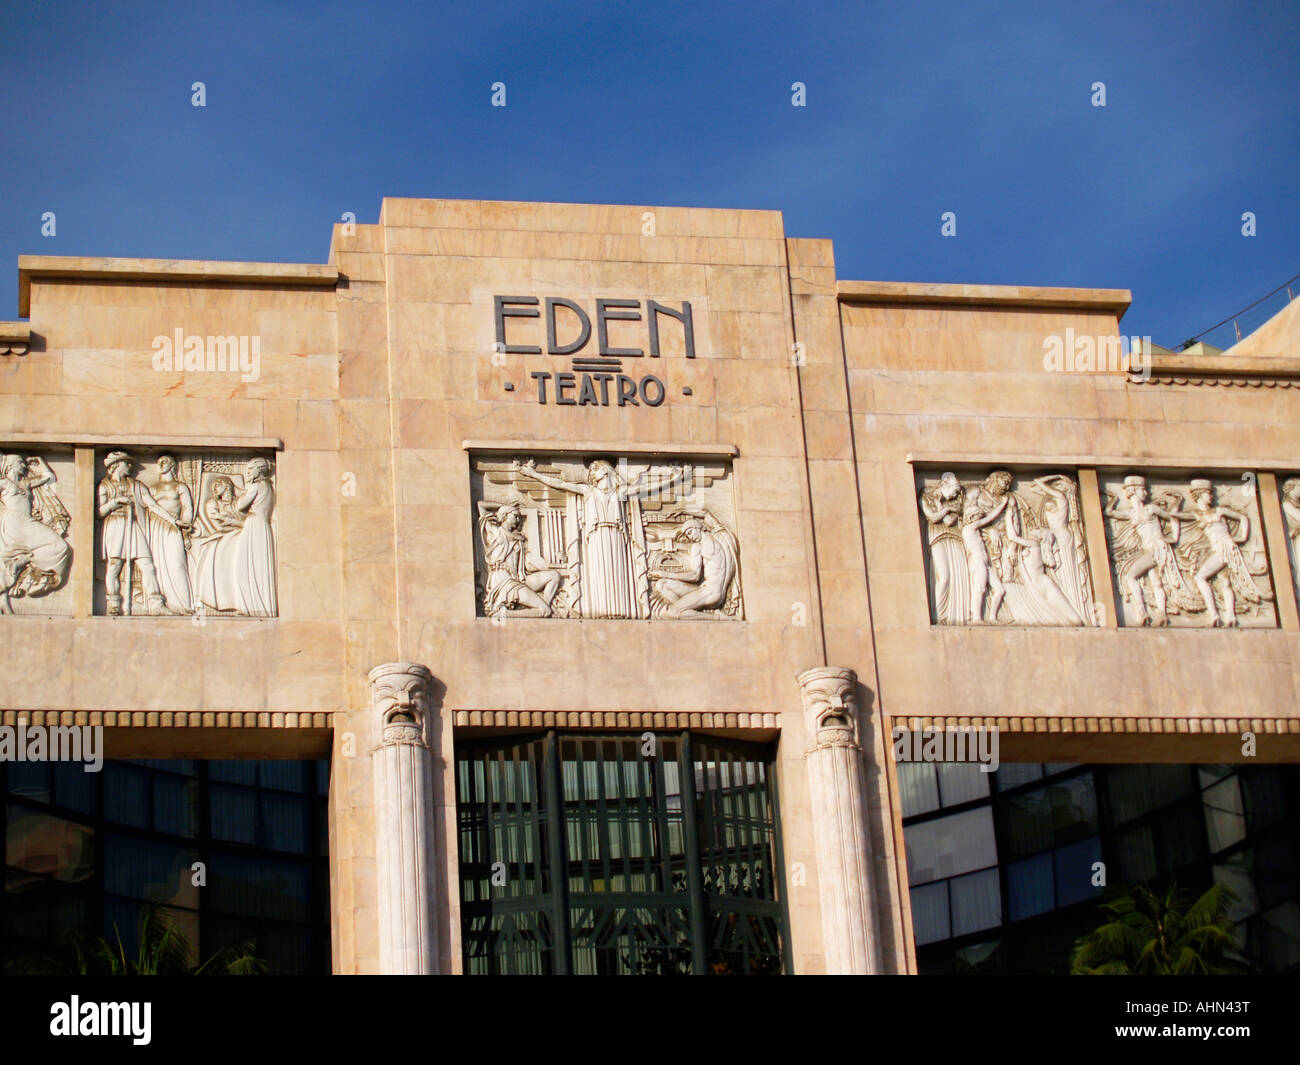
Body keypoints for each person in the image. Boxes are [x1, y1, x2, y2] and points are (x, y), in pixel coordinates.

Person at [517, 457, 686, 619]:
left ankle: (620, 609)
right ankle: (600, 610)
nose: (590, 474)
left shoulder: (621, 492)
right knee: (598, 574)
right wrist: (533, 474)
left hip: (617, 538)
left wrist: (673, 479)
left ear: (605, 472)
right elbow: (560, 484)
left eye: (594, 470)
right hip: (596, 539)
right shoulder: (589, 491)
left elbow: (648, 487)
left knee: (618, 574)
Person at [1104, 475, 1199, 626]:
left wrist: (1174, 537)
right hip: (1150, 550)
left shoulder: (1151, 508)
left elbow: (1172, 517)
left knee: (1130, 577)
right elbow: (1110, 513)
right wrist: (1113, 499)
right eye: (1143, 490)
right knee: (1156, 581)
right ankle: (1161, 614)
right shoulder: (1131, 513)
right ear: (1133, 491)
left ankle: (1142, 612)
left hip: (1157, 548)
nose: (1146, 493)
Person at [1185, 478, 1269, 626]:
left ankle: (1214, 614)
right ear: (1199, 494)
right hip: (1220, 549)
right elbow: (1178, 517)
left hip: (1224, 549)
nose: (1211, 496)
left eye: (1211, 493)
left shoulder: (1219, 511)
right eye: (1208, 493)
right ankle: (1230, 617)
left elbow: (1243, 517)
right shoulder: (1197, 514)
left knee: (1200, 577)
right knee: (1225, 582)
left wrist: (1242, 537)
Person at [97, 450, 172, 615]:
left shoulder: (135, 485)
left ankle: (156, 603)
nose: (130, 466)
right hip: (115, 525)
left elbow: (153, 505)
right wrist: (115, 502)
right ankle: (113, 604)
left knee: (147, 565)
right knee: (115, 566)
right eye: (126, 463)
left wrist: (172, 520)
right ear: (116, 465)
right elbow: (99, 512)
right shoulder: (105, 485)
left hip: (133, 525)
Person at [0, 454, 71, 611]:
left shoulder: (25, 483)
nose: (24, 466)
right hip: (13, 522)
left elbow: (48, 477)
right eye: (20, 463)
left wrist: (40, 460)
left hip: (26, 521)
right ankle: (22, 563)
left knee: (61, 546)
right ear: (10, 466)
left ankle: (23, 562)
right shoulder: (4, 483)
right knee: (58, 545)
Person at [650, 509, 740, 619]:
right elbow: (706, 513)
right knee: (661, 584)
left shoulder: (698, 547)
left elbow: (695, 576)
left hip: (710, 592)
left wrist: (663, 573)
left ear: (698, 527)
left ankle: (717, 617)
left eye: (690, 532)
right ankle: (690, 607)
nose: (690, 537)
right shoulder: (722, 535)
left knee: (674, 612)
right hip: (714, 590)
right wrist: (683, 510)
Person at [477, 500, 561, 617]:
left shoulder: (518, 539)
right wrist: (504, 505)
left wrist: (552, 563)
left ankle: (537, 607)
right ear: (505, 515)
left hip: (519, 578)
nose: (518, 520)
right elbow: (480, 506)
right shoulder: (496, 532)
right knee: (545, 610)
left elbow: (526, 564)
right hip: (504, 580)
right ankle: (504, 614)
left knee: (554, 576)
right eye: (515, 516)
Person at [143, 454, 194, 614]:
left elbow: (187, 509)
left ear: (173, 465)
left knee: (177, 564)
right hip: (155, 527)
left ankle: (184, 605)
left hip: (174, 527)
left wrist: (185, 530)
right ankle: (163, 605)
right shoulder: (153, 487)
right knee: (157, 565)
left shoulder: (180, 486)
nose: (161, 464)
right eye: (159, 462)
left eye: (165, 461)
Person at [920, 472, 968, 624]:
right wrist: (947, 509)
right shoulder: (925, 496)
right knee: (944, 577)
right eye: (955, 489)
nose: (956, 493)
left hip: (955, 539)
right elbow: (933, 517)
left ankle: (957, 616)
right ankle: (939, 615)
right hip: (938, 538)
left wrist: (945, 508)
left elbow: (948, 521)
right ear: (944, 485)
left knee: (959, 575)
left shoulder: (951, 502)